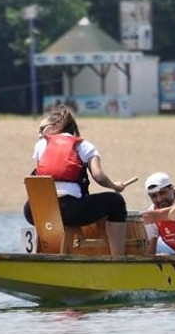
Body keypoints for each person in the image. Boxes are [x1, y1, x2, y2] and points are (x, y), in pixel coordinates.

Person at [24, 105, 130, 256]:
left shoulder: (41, 144)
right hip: (69, 210)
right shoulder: (85, 146)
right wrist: (115, 186)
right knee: (116, 202)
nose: (41, 133)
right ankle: (118, 258)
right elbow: (98, 176)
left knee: (53, 210)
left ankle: (47, 251)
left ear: (56, 127)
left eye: (43, 129)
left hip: (33, 211)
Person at [140, 172, 175, 255]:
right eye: (154, 196)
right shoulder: (152, 211)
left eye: (163, 193)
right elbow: (150, 252)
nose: (159, 199)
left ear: (172, 188)